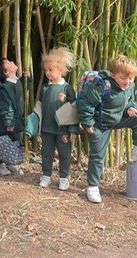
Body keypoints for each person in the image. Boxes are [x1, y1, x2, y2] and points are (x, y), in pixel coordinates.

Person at [77, 54, 137, 204]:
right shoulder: (103, 86)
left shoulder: (130, 86)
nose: (128, 82)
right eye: (123, 78)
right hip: (100, 124)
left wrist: (131, 109)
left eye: (131, 78)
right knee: (98, 156)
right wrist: (88, 124)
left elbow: (130, 101)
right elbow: (85, 104)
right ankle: (93, 186)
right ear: (113, 75)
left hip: (117, 118)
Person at [39, 48, 78, 191]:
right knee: (47, 152)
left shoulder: (67, 88)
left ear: (61, 70)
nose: (47, 73)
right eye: (46, 70)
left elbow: (74, 110)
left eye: (51, 70)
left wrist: (73, 129)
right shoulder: (44, 88)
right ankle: (46, 175)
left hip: (63, 129)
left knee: (64, 154)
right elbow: (39, 108)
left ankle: (63, 177)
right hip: (47, 128)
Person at [0, 57, 30, 176]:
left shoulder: (17, 82)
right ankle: (0, 164)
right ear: (6, 72)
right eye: (8, 62)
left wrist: (28, 79)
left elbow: (24, 88)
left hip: (16, 119)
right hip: (6, 122)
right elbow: (6, 107)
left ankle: (12, 163)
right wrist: (9, 123)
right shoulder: (3, 89)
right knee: (4, 142)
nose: (12, 61)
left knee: (15, 141)